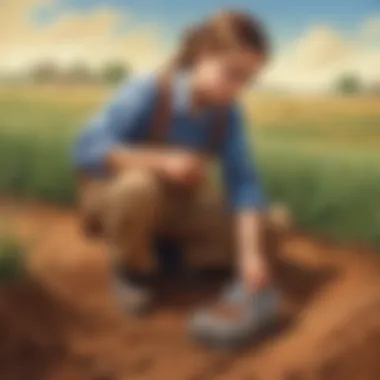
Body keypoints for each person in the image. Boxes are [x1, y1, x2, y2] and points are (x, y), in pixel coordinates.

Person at [72, 9, 279, 348]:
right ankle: (131, 270)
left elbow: (243, 183)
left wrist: (250, 256)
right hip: (117, 194)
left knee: (269, 229)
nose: (238, 88)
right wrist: (160, 162)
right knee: (137, 189)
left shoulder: (228, 115)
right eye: (232, 74)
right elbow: (85, 147)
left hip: (179, 203)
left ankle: (172, 254)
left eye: (247, 80)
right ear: (203, 55)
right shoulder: (148, 90)